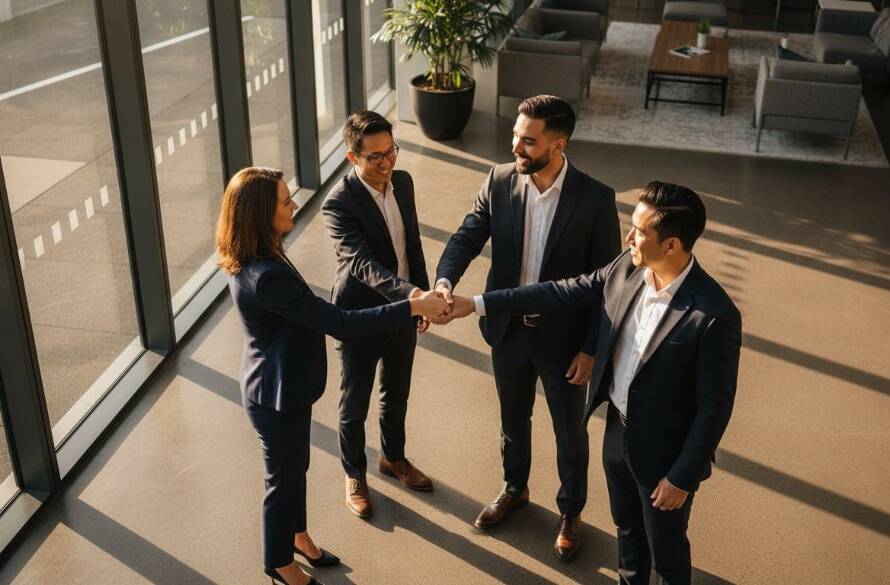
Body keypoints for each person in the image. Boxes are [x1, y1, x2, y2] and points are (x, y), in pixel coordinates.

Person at [450, 182, 742, 585]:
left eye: (639, 231)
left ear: (672, 245)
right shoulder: (626, 267)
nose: (628, 237)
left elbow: (715, 408)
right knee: (627, 532)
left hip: (666, 457)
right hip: (617, 435)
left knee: (667, 550)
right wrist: (478, 304)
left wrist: (682, 478)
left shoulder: (713, 314)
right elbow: (560, 291)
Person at [217, 167, 449, 585]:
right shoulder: (267, 276)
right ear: (259, 215)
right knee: (281, 478)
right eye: (284, 202)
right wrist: (412, 307)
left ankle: (298, 536)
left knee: (296, 467)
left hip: (283, 384)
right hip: (276, 393)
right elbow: (339, 322)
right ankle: (279, 563)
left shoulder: (260, 253)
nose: (292, 205)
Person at [433, 95, 621, 560]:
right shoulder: (499, 180)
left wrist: (592, 348)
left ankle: (570, 512)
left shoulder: (596, 199)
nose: (516, 146)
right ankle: (514, 488)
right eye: (515, 136)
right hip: (507, 332)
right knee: (512, 419)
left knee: (568, 432)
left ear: (559, 144)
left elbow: (608, 286)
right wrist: (443, 280)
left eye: (528, 140)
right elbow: (467, 235)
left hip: (565, 341)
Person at [322, 112, 433, 520]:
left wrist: (419, 291)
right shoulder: (338, 202)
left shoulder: (402, 183)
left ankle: (394, 457)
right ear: (352, 157)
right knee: (355, 402)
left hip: (404, 309)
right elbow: (362, 265)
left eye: (391, 152)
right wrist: (415, 297)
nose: (387, 164)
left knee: (396, 392)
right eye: (375, 157)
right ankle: (354, 474)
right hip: (360, 316)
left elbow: (412, 245)